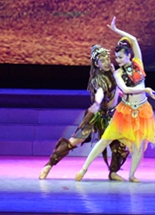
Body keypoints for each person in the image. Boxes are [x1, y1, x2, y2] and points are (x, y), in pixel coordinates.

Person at [75, 18, 155, 183]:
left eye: (120, 57)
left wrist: (116, 30)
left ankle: (132, 175)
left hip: (142, 109)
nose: (117, 60)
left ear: (128, 55)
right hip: (126, 111)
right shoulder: (118, 73)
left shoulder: (138, 63)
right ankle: (84, 169)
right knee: (106, 139)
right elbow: (125, 90)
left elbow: (133, 40)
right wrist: (145, 89)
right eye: (116, 57)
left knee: (139, 145)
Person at [39, 45, 128, 181]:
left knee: (120, 143)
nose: (106, 62)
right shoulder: (98, 79)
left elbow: (114, 89)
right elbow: (100, 92)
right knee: (76, 140)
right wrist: (97, 103)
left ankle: (113, 172)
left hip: (113, 115)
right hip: (98, 115)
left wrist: (120, 93)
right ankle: (49, 165)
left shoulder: (112, 72)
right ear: (97, 64)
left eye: (107, 59)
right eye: (102, 61)